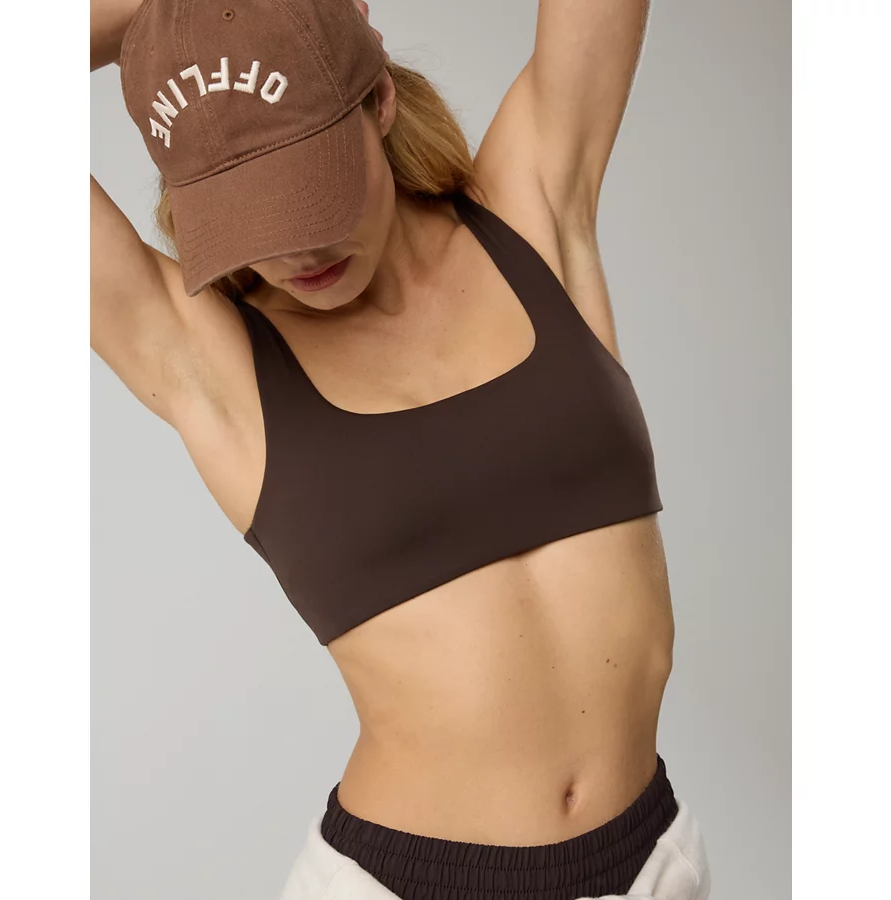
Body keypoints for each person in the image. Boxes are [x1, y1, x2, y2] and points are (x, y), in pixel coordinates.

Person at [91, 1, 711, 897]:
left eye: (310, 190)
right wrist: (176, 12)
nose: (296, 248)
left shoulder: (527, 211)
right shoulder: (214, 363)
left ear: (378, 100)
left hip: (653, 863)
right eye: (250, 215)